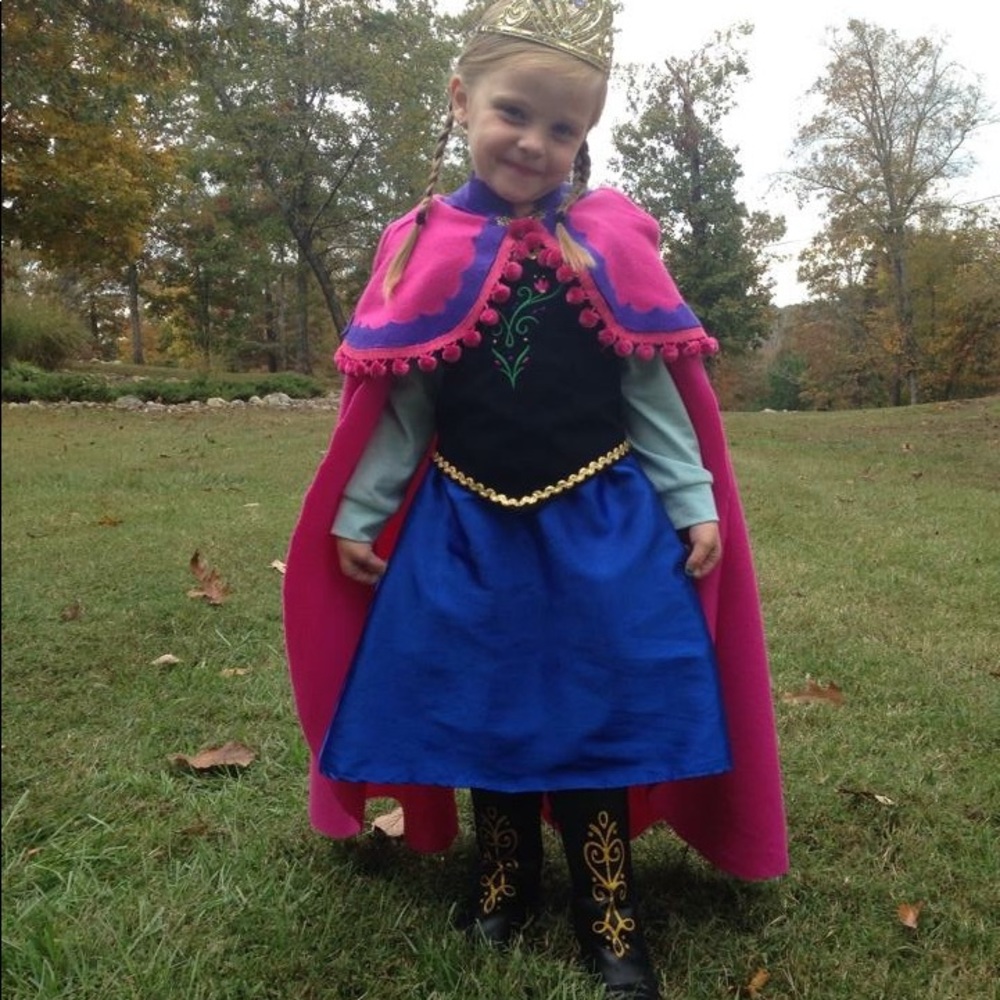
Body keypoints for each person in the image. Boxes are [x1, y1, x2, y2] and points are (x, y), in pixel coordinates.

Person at [283, 1, 788, 997]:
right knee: (484, 701)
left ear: (584, 140)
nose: (535, 142)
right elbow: (404, 405)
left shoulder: (609, 241)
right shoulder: (418, 243)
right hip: (463, 526)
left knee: (599, 704)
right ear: (462, 100)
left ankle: (607, 901)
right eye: (515, 112)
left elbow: (653, 390)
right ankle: (503, 874)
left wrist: (692, 501)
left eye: (564, 129)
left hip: (602, 524)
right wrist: (356, 510)